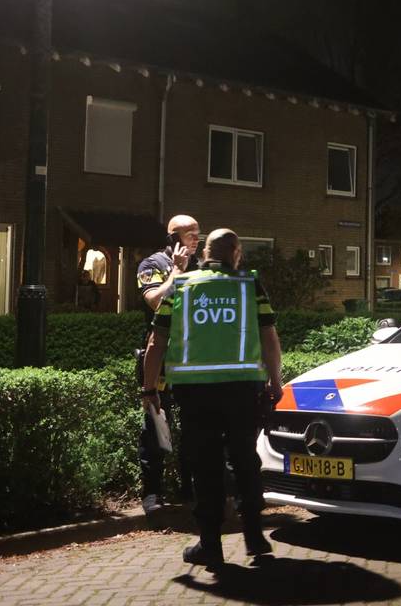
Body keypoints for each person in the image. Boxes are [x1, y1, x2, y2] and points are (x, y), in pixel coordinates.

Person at [141, 228, 283, 566]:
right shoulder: (250, 285)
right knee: (245, 461)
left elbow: (155, 342)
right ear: (236, 253)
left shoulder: (182, 285)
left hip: (195, 393)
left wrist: (150, 389)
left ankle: (210, 545)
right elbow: (269, 336)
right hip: (242, 389)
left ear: (205, 253)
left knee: (205, 467)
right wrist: (275, 380)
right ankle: (254, 536)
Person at [134, 214, 201, 514]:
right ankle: (152, 494)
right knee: (155, 427)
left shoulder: (202, 268)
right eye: (190, 234)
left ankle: (189, 488)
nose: (196, 240)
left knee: (193, 428)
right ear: (173, 238)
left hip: (191, 360)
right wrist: (176, 271)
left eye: (198, 234)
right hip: (159, 359)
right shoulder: (152, 265)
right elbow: (155, 301)